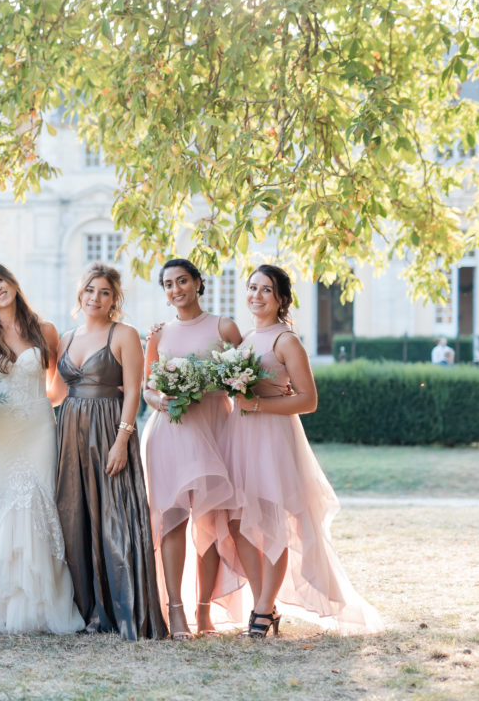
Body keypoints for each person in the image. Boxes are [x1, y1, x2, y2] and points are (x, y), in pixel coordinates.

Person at [225, 264, 382, 638]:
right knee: (237, 521)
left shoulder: (286, 341)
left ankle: (262, 609)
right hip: (239, 435)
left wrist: (258, 404)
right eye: (252, 287)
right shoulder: (246, 338)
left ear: (281, 299)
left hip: (272, 437)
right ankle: (266, 603)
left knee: (272, 523)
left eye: (266, 289)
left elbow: (309, 400)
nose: (256, 295)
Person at [0, 263, 83, 634]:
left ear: (12, 282)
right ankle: (3, 605)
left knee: (39, 505)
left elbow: (57, 389)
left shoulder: (45, 330)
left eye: (0, 280)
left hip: (37, 430)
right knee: (4, 509)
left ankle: (45, 605)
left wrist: (32, 405)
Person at [54, 263, 166, 640]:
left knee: (115, 517)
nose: (95, 298)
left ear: (114, 298)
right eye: (90, 290)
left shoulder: (124, 334)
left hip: (109, 430)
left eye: (104, 292)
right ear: (80, 293)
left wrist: (122, 440)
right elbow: (55, 392)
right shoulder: (66, 337)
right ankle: (86, 610)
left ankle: (125, 610)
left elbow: (133, 391)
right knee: (75, 517)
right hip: (70, 432)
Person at [141, 257, 243, 639]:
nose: (176, 289)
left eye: (182, 281)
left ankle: (205, 611)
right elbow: (147, 387)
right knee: (173, 519)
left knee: (211, 521)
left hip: (215, 428)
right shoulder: (158, 334)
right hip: (171, 431)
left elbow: (243, 376)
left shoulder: (224, 327)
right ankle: (176, 610)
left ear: (198, 282)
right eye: (168, 284)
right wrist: (159, 400)